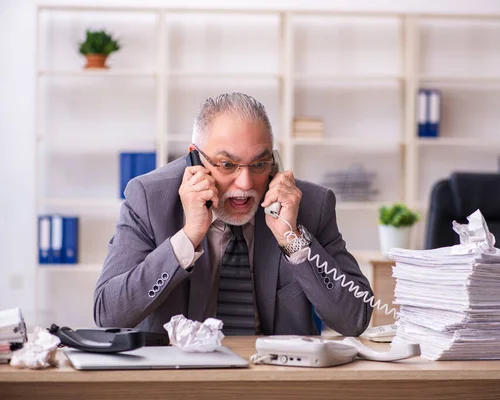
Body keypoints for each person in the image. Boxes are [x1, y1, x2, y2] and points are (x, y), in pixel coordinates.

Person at [94, 92, 373, 336]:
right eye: (227, 164)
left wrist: (292, 239)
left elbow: (354, 320)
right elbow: (109, 315)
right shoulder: (149, 198)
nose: (246, 184)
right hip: (178, 380)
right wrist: (189, 236)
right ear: (195, 159)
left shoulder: (310, 205)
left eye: (259, 164)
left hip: (276, 381)